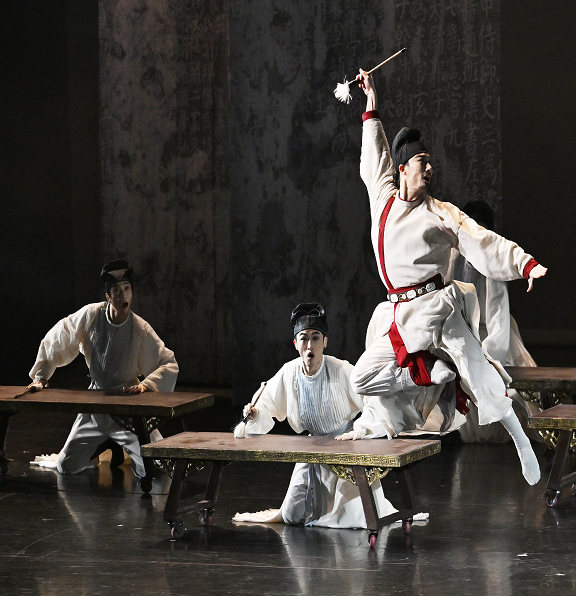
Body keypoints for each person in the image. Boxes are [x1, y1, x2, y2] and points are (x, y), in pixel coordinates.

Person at [336, 70, 547, 486]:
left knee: (479, 372)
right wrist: (371, 105)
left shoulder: (439, 212)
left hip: (437, 306)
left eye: (431, 162)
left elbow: (480, 239)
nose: (430, 167)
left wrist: (525, 263)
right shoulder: (383, 198)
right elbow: (373, 155)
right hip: (400, 314)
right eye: (422, 161)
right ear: (402, 169)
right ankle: (425, 370)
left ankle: (520, 439)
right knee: (361, 378)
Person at [233, 303, 407, 527]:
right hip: (313, 448)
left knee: (351, 518)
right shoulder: (289, 371)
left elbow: (374, 400)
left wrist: (362, 429)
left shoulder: (341, 369)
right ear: (295, 344)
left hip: (344, 448)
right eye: (304, 338)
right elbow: (267, 402)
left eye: (315, 338)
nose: (310, 345)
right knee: (292, 515)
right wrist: (255, 412)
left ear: (325, 342)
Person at [28, 260, 178, 478]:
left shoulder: (140, 328)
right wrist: (41, 375)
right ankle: (103, 447)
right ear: (108, 296)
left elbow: (168, 362)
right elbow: (60, 336)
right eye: (116, 290)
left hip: (127, 410)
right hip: (96, 405)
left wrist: (146, 385)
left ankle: (120, 447)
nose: (123, 295)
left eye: (127, 289)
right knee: (66, 466)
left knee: (152, 468)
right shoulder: (91, 315)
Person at [453, 201, 537, 443]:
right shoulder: (453, 256)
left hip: (488, 333)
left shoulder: (491, 263)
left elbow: (498, 319)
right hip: (458, 332)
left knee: (508, 392)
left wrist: (485, 358)